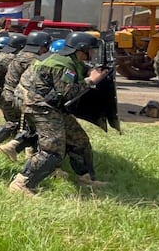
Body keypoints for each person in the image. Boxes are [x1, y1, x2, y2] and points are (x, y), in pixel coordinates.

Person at [8, 32, 109, 196]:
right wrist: (91, 80)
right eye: (91, 49)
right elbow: (68, 93)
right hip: (38, 105)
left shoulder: (69, 59)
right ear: (81, 49)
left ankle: (86, 179)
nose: (93, 53)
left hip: (48, 104)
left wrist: (91, 71)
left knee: (79, 140)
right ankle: (21, 183)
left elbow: (80, 71)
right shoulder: (62, 65)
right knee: (52, 151)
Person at [0, 31, 52, 161]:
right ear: (42, 46)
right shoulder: (32, 59)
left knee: (25, 125)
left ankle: (27, 152)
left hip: (11, 93)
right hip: (20, 96)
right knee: (24, 124)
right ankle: (9, 145)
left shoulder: (20, 55)